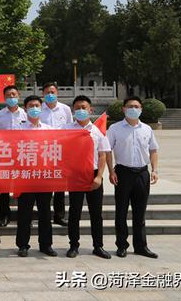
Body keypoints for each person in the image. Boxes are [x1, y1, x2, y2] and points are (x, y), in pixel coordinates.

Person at [107, 96, 160, 259]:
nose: (133, 109)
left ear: (141, 109)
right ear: (123, 109)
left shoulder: (147, 129)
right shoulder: (115, 128)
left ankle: (141, 246)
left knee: (140, 212)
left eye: (137, 106)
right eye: (130, 106)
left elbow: (153, 150)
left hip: (142, 174)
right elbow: (107, 150)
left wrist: (155, 170)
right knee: (121, 211)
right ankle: (122, 245)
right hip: (122, 172)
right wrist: (111, 171)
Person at [64, 95, 111, 259]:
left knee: (96, 213)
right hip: (75, 175)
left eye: (84, 107)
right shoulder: (66, 129)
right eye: (77, 108)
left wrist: (99, 177)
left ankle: (98, 246)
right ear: (73, 111)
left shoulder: (97, 131)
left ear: (91, 110)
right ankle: (73, 246)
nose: (81, 110)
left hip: (93, 174)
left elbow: (103, 155)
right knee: (74, 212)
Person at [15, 95, 57, 258]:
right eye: (31, 105)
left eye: (37, 105)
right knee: (24, 212)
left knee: (45, 212)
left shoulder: (49, 129)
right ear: (25, 109)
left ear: (41, 108)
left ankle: (46, 245)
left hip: (44, 176)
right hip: (25, 177)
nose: (34, 108)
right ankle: (23, 245)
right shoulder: (18, 130)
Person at [0, 85, 26, 227]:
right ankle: (4, 215)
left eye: (14, 94)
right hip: (4, 155)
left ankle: (23, 214)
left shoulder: (25, 114)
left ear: (18, 95)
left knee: (22, 186)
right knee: (4, 187)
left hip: (22, 155)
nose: (11, 98)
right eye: (8, 95)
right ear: (4, 97)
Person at [40, 82, 73, 226]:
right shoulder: (38, 109)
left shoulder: (65, 109)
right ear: (43, 94)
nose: (50, 95)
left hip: (61, 150)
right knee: (45, 184)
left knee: (60, 184)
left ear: (57, 93)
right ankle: (44, 213)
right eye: (47, 92)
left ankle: (59, 215)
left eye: (52, 92)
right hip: (43, 151)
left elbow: (71, 128)